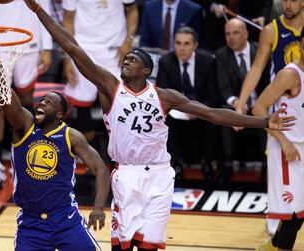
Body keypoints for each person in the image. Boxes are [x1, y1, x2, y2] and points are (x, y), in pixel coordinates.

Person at [22, 1, 295, 250]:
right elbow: (72, 47)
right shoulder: (110, 88)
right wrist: (38, 11)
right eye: (125, 59)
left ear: (145, 71)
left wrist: (263, 121)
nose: (126, 61)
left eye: (133, 60)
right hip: (126, 175)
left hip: (159, 177)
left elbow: (213, 114)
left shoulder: (164, 96)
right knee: (122, 247)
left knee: (151, 247)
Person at [0, 9, 110, 250]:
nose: (42, 103)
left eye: (49, 102)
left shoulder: (71, 136)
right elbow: (5, 94)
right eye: (42, 100)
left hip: (66, 221)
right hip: (31, 225)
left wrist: (99, 207)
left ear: (60, 115)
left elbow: (100, 167)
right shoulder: (24, 126)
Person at [235, 0, 304, 235]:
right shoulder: (271, 30)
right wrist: (241, 103)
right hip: (281, 106)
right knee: (279, 165)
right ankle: (276, 221)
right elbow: (256, 68)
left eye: (293, 0)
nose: (288, 4)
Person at [0, 0, 53, 189]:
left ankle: (25, 158)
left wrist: (47, 48)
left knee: (24, 101)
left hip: (28, 41)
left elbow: (43, 8)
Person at [252, 29, 304, 251]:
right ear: (301, 46)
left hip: (301, 146)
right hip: (286, 148)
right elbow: (258, 108)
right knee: (293, 216)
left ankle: (271, 248)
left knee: (298, 216)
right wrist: (282, 140)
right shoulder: (290, 75)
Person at [62, 0, 138, 143]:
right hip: (83, 49)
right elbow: (68, 19)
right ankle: (91, 158)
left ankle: (117, 155)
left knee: (121, 103)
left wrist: (128, 42)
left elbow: (132, 11)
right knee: (82, 104)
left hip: (115, 51)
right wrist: (67, 57)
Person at [156, 27, 218, 180]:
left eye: (186, 44)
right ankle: (175, 164)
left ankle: (207, 163)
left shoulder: (208, 61)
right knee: (164, 121)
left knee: (214, 119)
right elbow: (162, 96)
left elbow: (214, 96)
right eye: (178, 43)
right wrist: (184, 110)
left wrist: (197, 110)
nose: (182, 48)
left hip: (202, 110)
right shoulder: (166, 61)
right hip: (177, 111)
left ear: (195, 45)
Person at [216, 18, 270, 183]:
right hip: (237, 106)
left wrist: (259, 104)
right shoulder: (222, 55)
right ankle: (228, 162)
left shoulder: (260, 51)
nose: (231, 37)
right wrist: (237, 103)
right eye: (228, 34)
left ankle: (267, 164)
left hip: (261, 103)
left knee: (265, 115)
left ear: (246, 34)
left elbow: (269, 81)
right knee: (226, 114)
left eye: (236, 33)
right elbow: (224, 89)